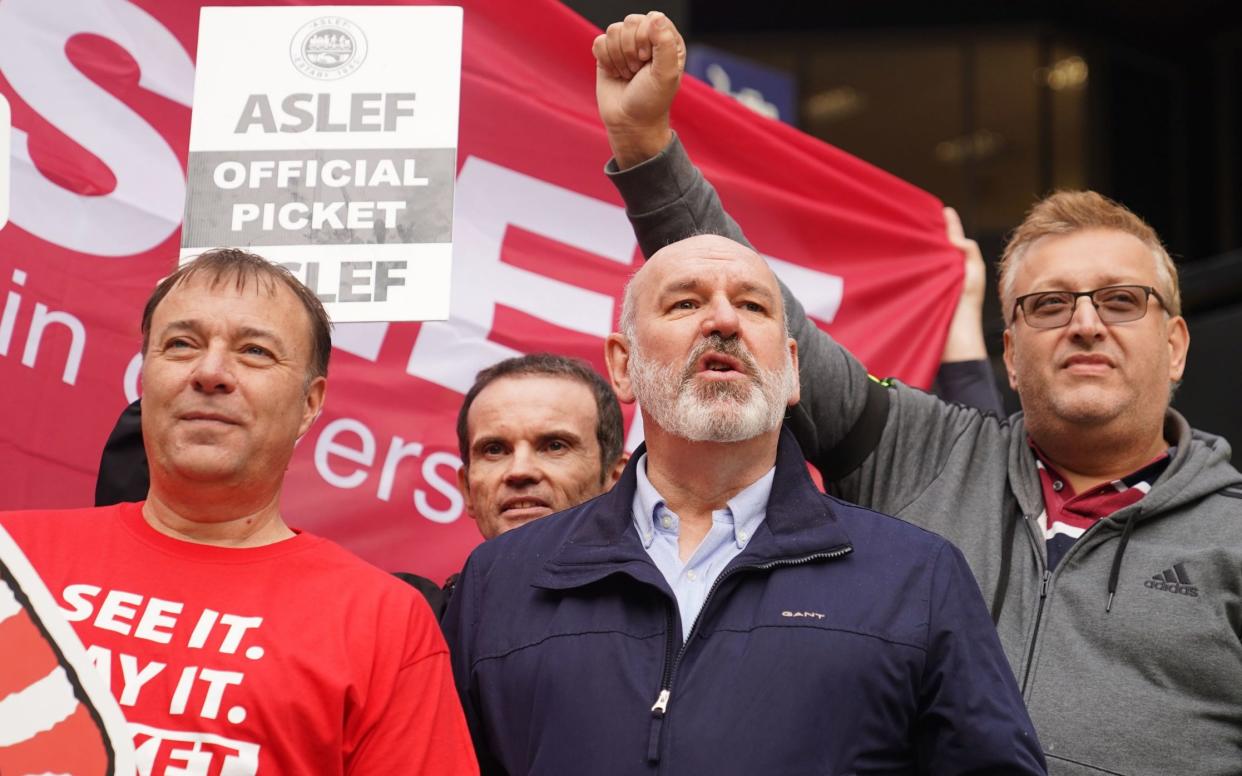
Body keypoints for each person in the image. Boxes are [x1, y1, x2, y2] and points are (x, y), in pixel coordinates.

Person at [593, 12, 1242, 775]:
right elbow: (742, 303)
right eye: (1050, 304)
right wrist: (644, 146)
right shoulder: (918, 451)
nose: (1087, 325)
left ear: (1175, 343)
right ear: (1009, 347)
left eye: (1123, 301)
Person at [442, 234, 1046, 775]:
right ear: (623, 366)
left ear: (791, 370)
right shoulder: (498, 582)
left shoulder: (916, 576)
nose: (724, 320)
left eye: (753, 305)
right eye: (685, 303)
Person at [1, 249, 477, 774]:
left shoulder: (386, 622)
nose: (210, 372)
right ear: (145, 376)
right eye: (181, 344)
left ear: (310, 405)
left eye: (254, 351)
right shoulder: (12, 559)